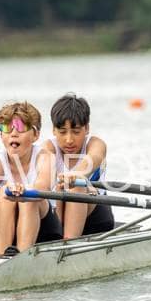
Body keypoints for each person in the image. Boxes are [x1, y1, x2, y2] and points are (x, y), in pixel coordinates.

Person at [0, 101, 62, 255]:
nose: (13, 133)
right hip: (4, 234)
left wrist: (23, 191)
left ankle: (22, 255)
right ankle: (1, 255)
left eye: (20, 127)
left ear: (35, 135)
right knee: (4, 193)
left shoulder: (45, 157)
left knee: (28, 195)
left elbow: (43, 186)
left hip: (45, 232)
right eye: (7, 128)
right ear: (1, 135)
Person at [44, 93, 114, 239]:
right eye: (62, 132)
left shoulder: (95, 144)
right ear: (54, 130)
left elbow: (92, 159)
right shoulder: (48, 147)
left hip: (95, 218)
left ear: (86, 128)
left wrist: (76, 175)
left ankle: (67, 243)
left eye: (76, 132)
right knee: (59, 189)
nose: (69, 140)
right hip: (59, 214)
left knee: (77, 184)